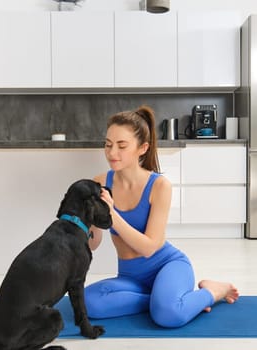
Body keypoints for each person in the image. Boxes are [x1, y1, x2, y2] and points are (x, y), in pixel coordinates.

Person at [84, 105, 239, 328]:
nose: (111, 153)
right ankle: (169, 300)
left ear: (142, 148)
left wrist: (111, 214)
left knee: (168, 316)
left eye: (121, 146)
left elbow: (149, 247)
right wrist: (86, 220)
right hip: (130, 279)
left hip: (167, 267)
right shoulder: (100, 182)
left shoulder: (159, 185)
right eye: (108, 145)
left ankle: (213, 291)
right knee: (89, 303)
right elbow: (94, 244)